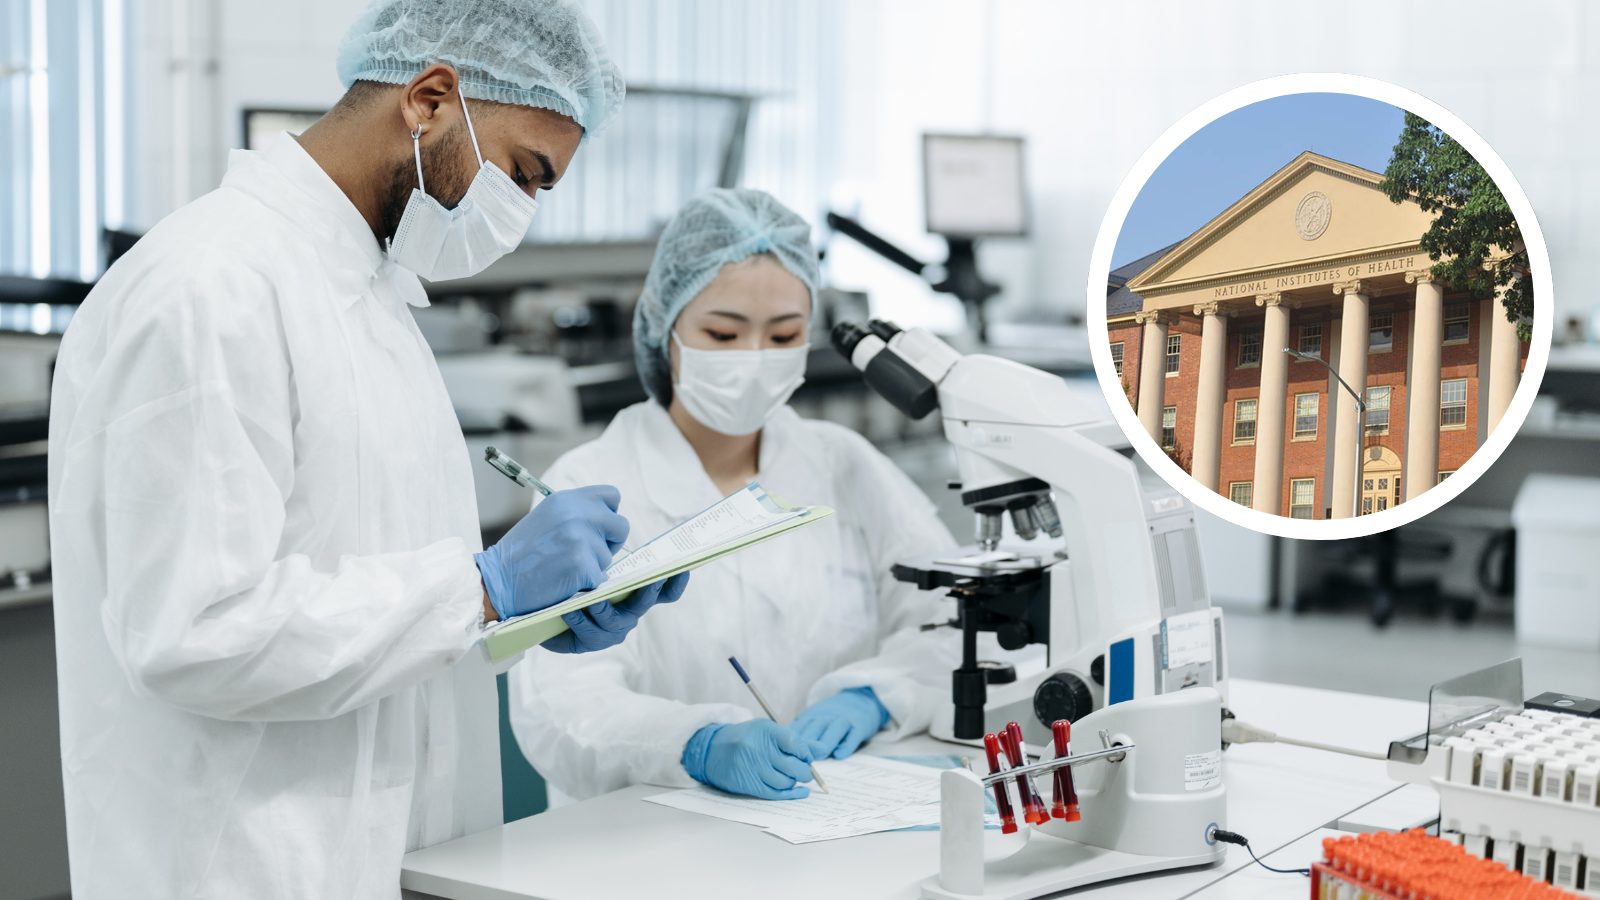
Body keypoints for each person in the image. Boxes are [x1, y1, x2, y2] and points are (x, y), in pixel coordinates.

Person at [47, 2, 684, 897]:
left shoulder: (371, 292)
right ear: (430, 99)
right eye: (523, 174)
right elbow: (194, 631)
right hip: (245, 865)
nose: (522, 211)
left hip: (387, 852)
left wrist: (525, 615)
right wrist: (481, 588)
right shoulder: (210, 289)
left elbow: (368, 584)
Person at [508, 189, 960, 805]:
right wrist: (693, 744)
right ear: (665, 328)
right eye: (723, 334)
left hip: (833, 819)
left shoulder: (845, 464)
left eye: (784, 335)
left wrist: (879, 693)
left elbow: (950, 620)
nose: (753, 360)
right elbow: (561, 705)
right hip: (647, 837)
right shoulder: (588, 485)